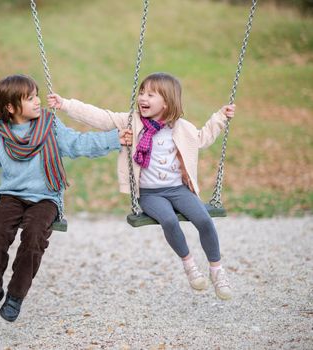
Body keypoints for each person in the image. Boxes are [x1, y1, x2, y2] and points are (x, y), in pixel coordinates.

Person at [0, 74, 132, 322]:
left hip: (46, 197)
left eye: (36, 95)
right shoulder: (0, 135)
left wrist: (113, 139)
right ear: (11, 108)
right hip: (12, 196)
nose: (38, 102)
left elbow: (78, 143)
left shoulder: (50, 126)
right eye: (30, 98)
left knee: (34, 236)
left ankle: (15, 295)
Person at [47, 72, 235, 300]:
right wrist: (66, 104)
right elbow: (100, 117)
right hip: (150, 194)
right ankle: (189, 265)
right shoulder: (132, 122)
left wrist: (220, 118)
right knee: (168, 220)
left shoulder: (181, 128)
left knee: (204, 219)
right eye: (142, 93)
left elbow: (203, 137)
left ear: (167, 102)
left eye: (151, 95)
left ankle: (216, 270)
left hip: (178, 189)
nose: (142, 98)